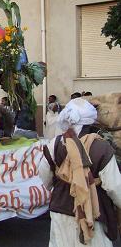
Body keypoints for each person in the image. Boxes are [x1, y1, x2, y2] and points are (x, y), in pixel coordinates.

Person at [39, 98, 121, 247]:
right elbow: (115, 188)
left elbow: (45, 177)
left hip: (60, 212)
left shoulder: (53, 144)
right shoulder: (102, 148)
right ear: (91, 122)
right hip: (94, 215)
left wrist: (62, 184)